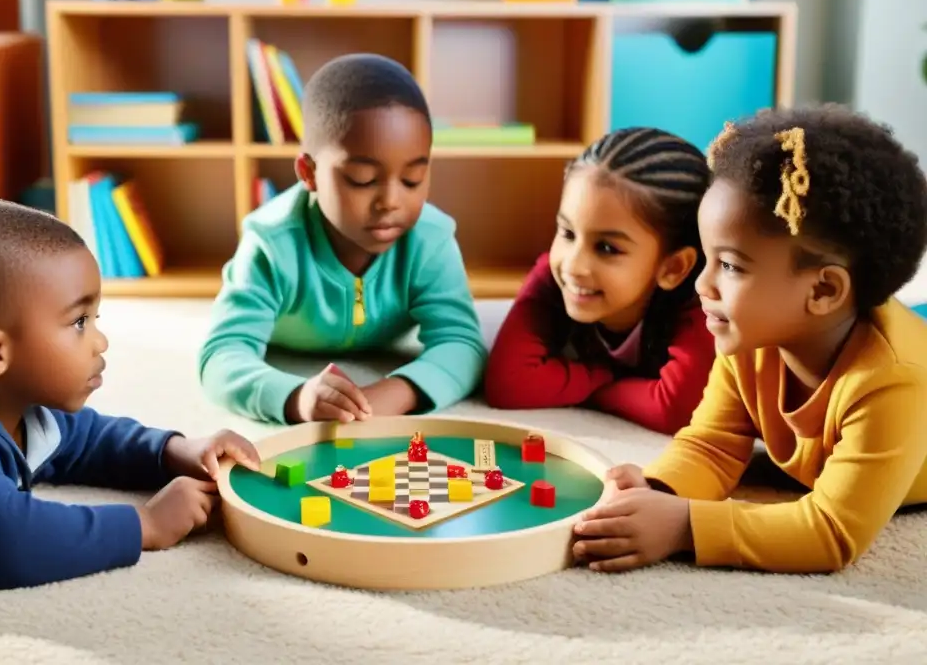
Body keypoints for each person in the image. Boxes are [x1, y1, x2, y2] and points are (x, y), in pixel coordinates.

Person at [573, 106, 927, 574]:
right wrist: (659, 492)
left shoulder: (893, 382)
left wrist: (685, 526)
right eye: (708, 259)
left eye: (732, 266)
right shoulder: (750, 338)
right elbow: (712, 445)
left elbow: (831, 532)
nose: (702, 285)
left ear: (823, 290)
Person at [0, 199, 261, 590]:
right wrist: (144, 524)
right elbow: (2, 540)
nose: (101, 341)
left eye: (95, 319)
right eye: (78, 322)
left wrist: (175, 451)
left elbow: (85, 439)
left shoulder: (7, 397)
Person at [199, 53, 486, 425]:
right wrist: (295, 398)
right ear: (309, 173)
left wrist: (398, 391)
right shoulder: (271, 243)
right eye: (363, 180)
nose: (391, 201)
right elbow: (222, 355)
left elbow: (463, 344)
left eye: (413, 179)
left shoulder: (430, 239)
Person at [483, 127, 715, 434]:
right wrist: (606, 377)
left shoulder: (702, 305)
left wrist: (597, 387)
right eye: (567, 233)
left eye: (607, 248)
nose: (574, 264)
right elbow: (509, 384)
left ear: (673, 268)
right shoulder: (556, 276)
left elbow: (677, 410)